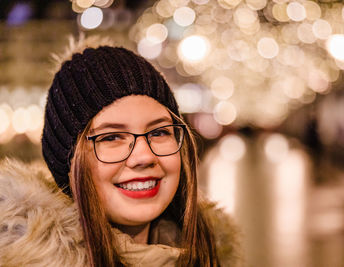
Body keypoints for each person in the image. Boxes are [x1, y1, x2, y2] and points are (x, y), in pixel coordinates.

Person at [0, 36, 241, 267]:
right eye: (111, 137)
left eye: (159, 132)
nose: (144, 156)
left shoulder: (212, 251)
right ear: (68, 163)